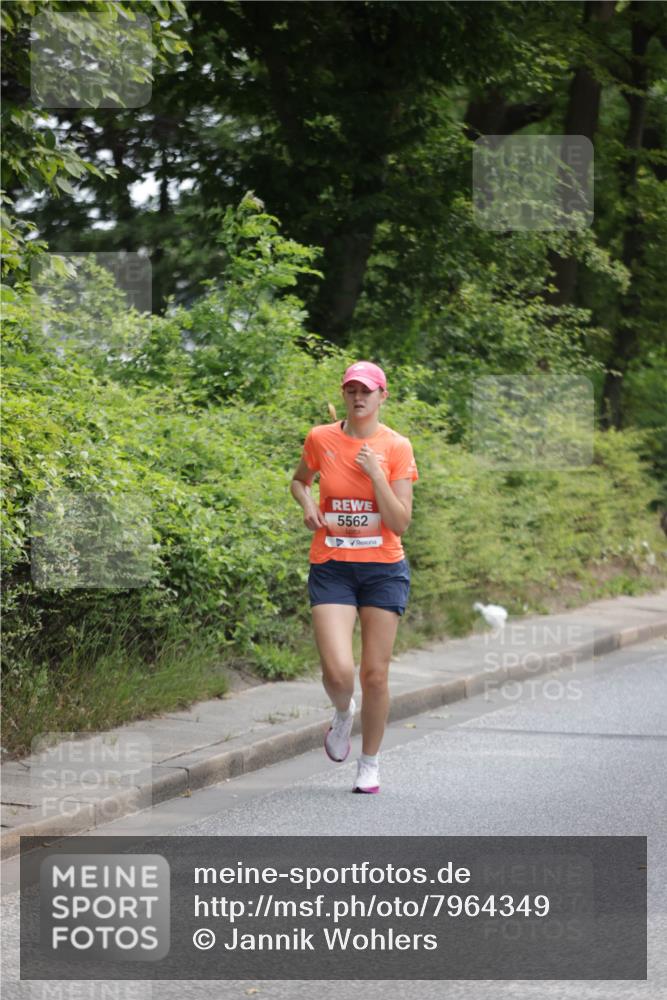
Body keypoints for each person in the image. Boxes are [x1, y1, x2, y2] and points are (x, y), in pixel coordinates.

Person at [290, 361, 419, 794]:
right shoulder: (320, 438)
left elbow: (400, 523)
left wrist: (376, 473)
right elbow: (299, 481)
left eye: (367, 390)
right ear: (344, 395)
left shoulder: (397, 446)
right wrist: (307, 504)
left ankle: (370, 762)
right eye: (351, 390)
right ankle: (343, 714)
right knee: (338, 670)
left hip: (383, 570)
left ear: (383, 396)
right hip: (333, 566)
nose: (358, 397)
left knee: (375, 675)